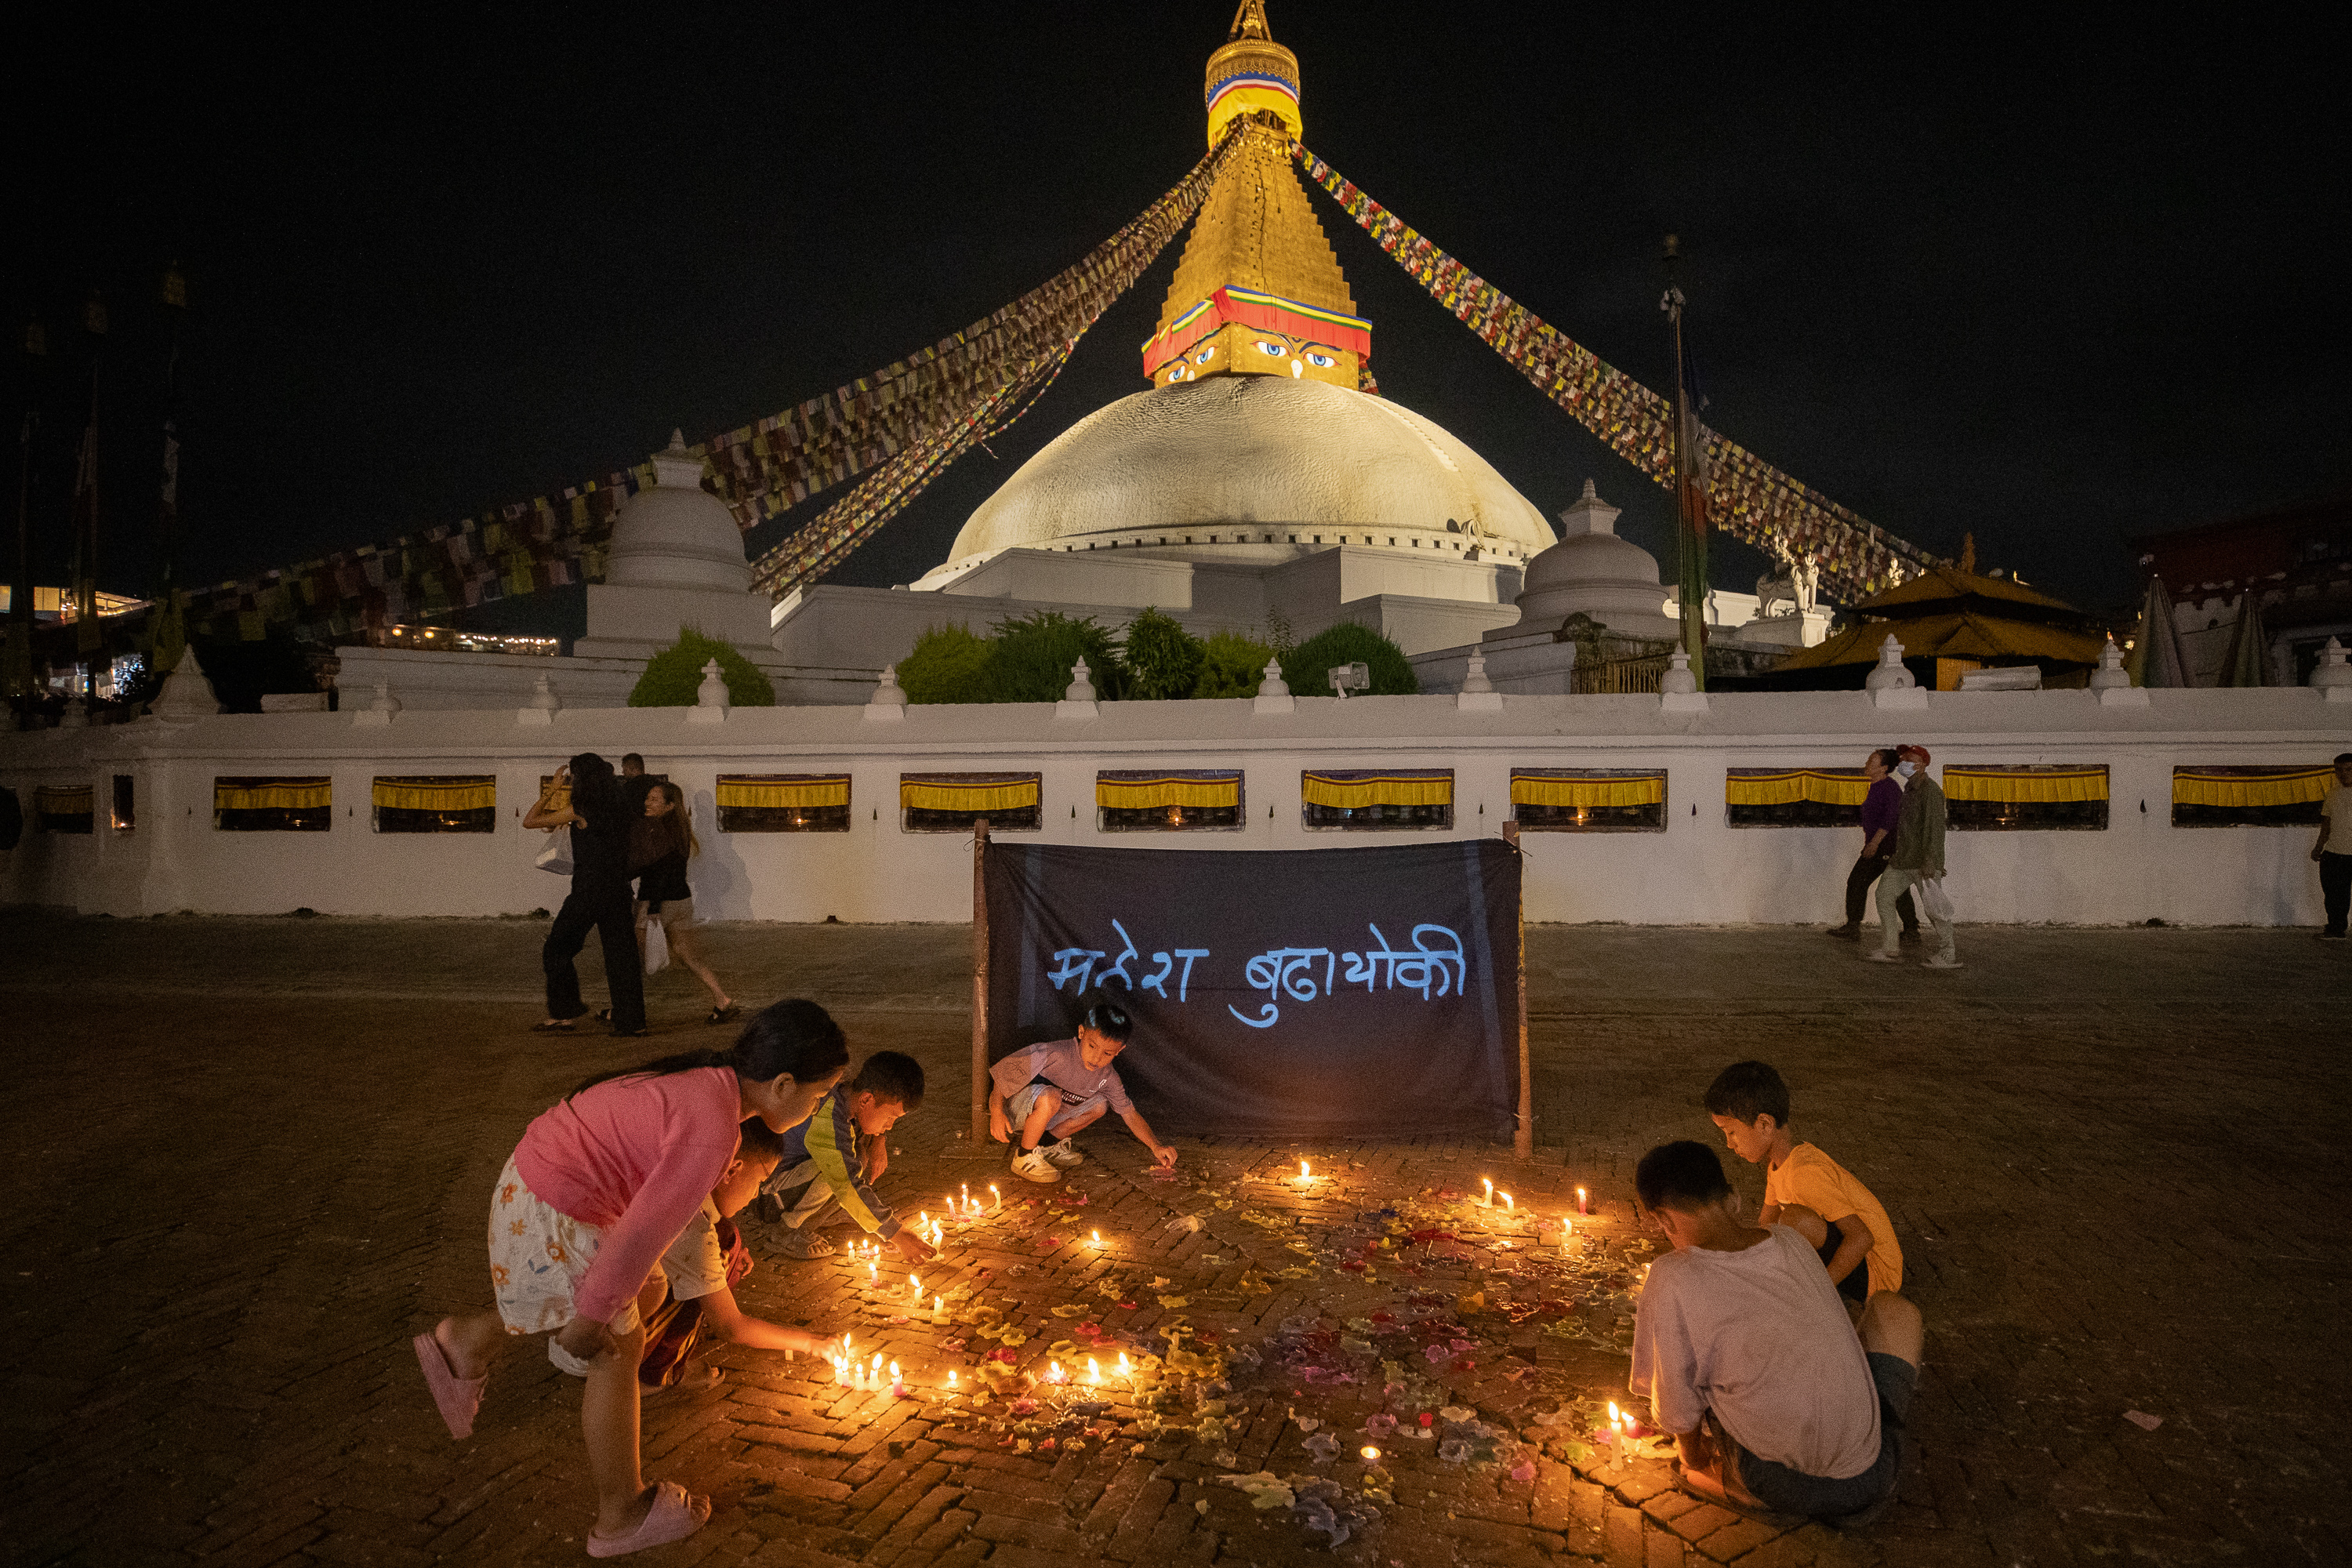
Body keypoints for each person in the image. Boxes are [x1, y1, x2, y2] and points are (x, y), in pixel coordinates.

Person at [412, 999, 850, 1558]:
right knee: (617, 1347)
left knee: (640, 1293)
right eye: (816, 1097)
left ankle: (466, 1341)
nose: (814, 1110)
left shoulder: (710, 1080)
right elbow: (644, 1233)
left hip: (537, 1179)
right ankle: (621, 1511)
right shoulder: (714, 1128)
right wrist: (593, 1320)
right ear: (784, 1084)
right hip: (558, 1203)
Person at [1628, 1140, 1923, 1524]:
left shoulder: (1672, 1274)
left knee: (1696, 1439)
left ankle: (1752, 1495)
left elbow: (1677, 1404)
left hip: (1779, 1481)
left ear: (1664, 1221)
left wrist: (1694, 1461)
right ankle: (1846, 1484)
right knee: (1894, 1310)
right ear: (1732, 1199)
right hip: (1873, 1473)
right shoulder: (1791, 1241)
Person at [635, 1117, 834, 1393]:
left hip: (587, 1305)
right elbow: (732, 1327)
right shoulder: (691, 1224)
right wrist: (811, 1342)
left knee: (728, 1241)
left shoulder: (682, 1179)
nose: (755, 1196)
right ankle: (650, 1372)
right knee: (722, 1248)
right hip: (605, 1330)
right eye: (760, 1181)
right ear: (732, 1170)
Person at [1702, 1061, 1903, 1310]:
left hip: (1877, 1275)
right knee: (1780, 1230)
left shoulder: (1806, 1173)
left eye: (1731, 1133)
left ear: (1765, 1124)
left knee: (1795, 1220)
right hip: (1851, 1256)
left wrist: (1819, 1292)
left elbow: (1862, 1238)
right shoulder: (1778, 1165)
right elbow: (1766, 1224)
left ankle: (1816, 1291)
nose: (1729, 1144)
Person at [761, 1051, 940, 1264]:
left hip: (792, 1181)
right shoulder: (828, 1117)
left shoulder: (846, 1096)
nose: (890, 1126)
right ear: (866, 1098)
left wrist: (879, 1139)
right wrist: (896, 1234)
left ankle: (824, 1214)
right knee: (839, 1172)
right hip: (770, 1196)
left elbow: (862, 1136)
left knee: (856, 1156)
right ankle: (786, 1231)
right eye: (891, 1117)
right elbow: (847, 1183)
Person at [987, 996, 1176, 1183]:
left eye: (1107, 1053)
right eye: (1092, 1046)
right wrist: (996, 1111)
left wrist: (1156, 1146)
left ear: (1119, 1050)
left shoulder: (1109, 1078)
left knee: (1100, 1105)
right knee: (1051, 1096)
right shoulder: (1053, 1053)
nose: (1096, 1058)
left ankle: (1045, 1146)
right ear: (1081, 1032)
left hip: (1047, 1116)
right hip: (1015, 1112)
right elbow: (1004, 1075)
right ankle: (1023, 1156)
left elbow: (1130, 1114)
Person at [527, 754, 648, 1036]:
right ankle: (632, 1023)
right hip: (618, 889)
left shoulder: (582, 808)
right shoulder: (621, 805)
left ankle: (564, 1012)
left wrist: (553, 790)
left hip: (589, 890)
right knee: (622, 957)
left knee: (557, 948)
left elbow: (530, 821)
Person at [630, 781, 736, 1025]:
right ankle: (722, 1000)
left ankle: (624, 1009)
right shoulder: (681, 829)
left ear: (669, 806)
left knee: (630, 956)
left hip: (658, 903)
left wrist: (654, 909)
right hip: (681, 901)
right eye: (648, 797)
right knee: (690, 957)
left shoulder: (657, 832)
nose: (647, 802)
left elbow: (659, 872)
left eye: (654, 799)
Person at [1867, 745, 1958, 969]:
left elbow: (1935, 829)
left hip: (1922, 862)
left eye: (1909, 758)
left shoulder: (1931, 791)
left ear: (1922, 764)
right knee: (1884, 895)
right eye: (1903, 758)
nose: (1903, 762)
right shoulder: (1908, 789)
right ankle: (1890, 948)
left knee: (1935, 909)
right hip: (1903, 860)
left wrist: (1933, 861)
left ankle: (1948, 955)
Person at [1826, 748, 1917, 942]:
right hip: (1881, 845)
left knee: (1859, 882)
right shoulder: (1876, 787)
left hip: (1885, 846)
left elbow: (1891, 819)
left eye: (1872, 761)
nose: (1867, 764)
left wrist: (1874, 843)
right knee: (1896, 888)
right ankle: (1911, 930)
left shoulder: (1889, 788)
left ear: (1884, 768)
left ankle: (1854, 927)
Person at [2312, 752, 2352, 940]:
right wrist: (2319, 847)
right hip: (2334, 853)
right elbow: (2326, 824)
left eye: (2349, 769)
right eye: (2339, 770)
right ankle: (2336, 929)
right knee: (2334, 895)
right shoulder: (2333, 793)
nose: (2343, 774)